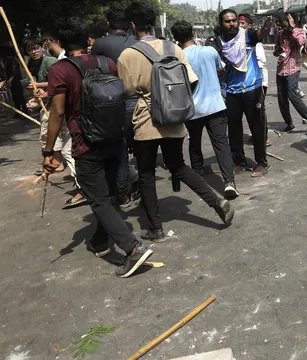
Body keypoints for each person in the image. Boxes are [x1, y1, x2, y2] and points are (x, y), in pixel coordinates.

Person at [42, 17, 153, 278]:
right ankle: (100, 242)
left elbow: (57, 113)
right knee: (111, 196)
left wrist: (49, 151)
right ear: (88, 40)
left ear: (59, 43)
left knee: (99, 200)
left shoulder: (61, 70)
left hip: (86, 142)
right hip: (114, 138)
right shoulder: (107, 63)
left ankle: (132, 249)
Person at [118, 1, 234, 241]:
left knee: (146, 173)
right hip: (174, 118)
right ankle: (217, 201)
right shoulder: (174, 48)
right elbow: (191, 80)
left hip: (146, 120)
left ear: (132, 25)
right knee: (178, 166)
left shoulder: (127, 55)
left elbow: (127, 92)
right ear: (152, 22)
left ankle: (155, 228)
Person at [171, 20, 238, 198]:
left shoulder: (177, 57)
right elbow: (222, 71)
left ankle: (198, 179)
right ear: (193, 33)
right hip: (215, 105)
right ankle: (229, 182)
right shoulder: (209, 51)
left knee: (195, 144)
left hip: (192, 109)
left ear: (175, 38)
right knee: (221, 144)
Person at [91, 5, 141, 209]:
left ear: (107, 24)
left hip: (113, 102)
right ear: (130, 24)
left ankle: (123, 193)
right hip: (139, 99)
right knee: (140, 148)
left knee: (119, 150)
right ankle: (142, 186)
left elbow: (95, 75)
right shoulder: (138, 42)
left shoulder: (100, 45)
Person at [27, 36, 86, 207]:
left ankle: (84, 189)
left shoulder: (60, 62)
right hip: (72, 113)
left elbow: (59, 111)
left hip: (71, 114)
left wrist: (48, 151)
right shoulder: (81, 60)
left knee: (70, 150)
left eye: (42, 46)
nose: (36, 51)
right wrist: (44, 95)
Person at [217, 9, 272, 177]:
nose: (232, 23)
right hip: (232, 91)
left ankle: (262, 163)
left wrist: (267, 27)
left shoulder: (247, 35)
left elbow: (260, 34)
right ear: (221, 24)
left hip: (252, 89)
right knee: (234, 129)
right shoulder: (218, 42)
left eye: (234, 20)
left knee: (257, 126)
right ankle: (239, 161)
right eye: (228, 21)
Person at [273, 12, 307, 135]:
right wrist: (277, 51)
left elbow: (300, 43)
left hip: (293, 68)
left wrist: (292, 28)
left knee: (292, 94)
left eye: (284, 24)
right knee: (282, 98)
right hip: (281, 69)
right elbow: (275, 50)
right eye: (280, 25)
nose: (283, 27)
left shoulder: (298, 31)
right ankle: (289, 123)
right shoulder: (280, 34)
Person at [238, 14, 271, 147]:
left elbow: (261, 62)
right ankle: (256, 135)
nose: (239, 26)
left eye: (242, 24)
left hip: (258, 79)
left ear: (249, 26)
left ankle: (264, 137)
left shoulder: (253, 41)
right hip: (244, 82)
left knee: (259, 109)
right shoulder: (237, 40)